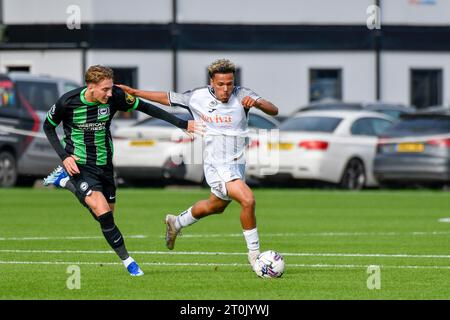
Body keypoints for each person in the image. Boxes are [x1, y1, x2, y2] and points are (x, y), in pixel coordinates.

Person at [118, 59, 278, 268]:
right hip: (217, 165)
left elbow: (273, 110)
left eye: (229, 83)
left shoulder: (242, 94)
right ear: (212, 82)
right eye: (221, 84)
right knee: (248, 200)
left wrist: (257, 103)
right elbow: (167, 98)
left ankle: (176, 222)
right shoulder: (197, 96)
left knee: (215, 206)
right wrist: (135, 92)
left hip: (238, 164)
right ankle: (255, 257)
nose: (226, 89)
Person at [43, 65, 202, 276]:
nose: (109, 93)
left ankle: (66, 183)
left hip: (105, 165)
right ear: (91, 86)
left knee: (106, 214)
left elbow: (145, 107)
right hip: (80, 165)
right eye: (105, 89)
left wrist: (182, 123)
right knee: (103, 212)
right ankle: (129, 262)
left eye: (111, 89)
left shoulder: (115, 96)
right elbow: (48, 126)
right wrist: (64, 157)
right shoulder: (68, 101)